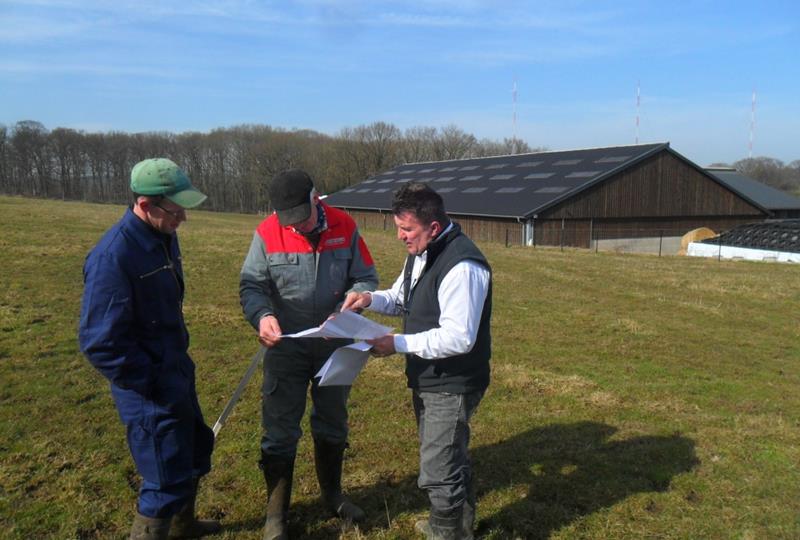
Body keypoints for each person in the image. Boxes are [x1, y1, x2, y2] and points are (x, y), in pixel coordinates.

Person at [341, 182, 492, 540]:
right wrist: (367, 298)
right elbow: (401, 297)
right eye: (398, 227)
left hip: (452, 381)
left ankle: (446, 532)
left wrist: (397, 343)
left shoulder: (463, 267)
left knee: (438, 470)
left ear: (434, 227)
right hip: (429, 376)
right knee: (449, 458)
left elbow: (459, 336)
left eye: (406, 229)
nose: (399, 237)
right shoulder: (422, 250)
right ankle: (459, 528)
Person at [79, 158, 220, 540]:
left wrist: (174, 371)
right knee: (163, 478)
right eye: (175, 211)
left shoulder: (162, 238)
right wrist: (152, 381)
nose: (183, 220)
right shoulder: (114, 257)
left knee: (194, 453)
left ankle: (182, 527)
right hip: (149, 390)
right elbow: (100, 342)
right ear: (145, 205)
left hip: (176, 371)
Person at [239, 169, 378, 539]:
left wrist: (359, 296)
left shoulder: (345, 225)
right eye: (290, 223)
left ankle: (332, 495)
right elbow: (252, 284)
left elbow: (365, 276)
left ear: (317, 199)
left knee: (333, 420)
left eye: (302, 219)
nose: (297, 227)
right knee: (280, 429)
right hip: (286, 346)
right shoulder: (268, 232)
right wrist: (263, 314)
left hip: (336, 344)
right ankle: (276, 516)